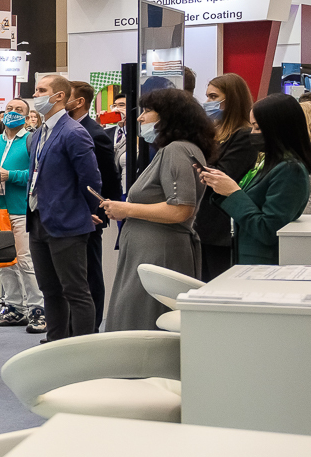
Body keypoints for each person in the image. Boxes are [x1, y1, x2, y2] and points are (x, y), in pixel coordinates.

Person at [99, 88, 213, 331]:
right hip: (152, 249)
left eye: (148, 111)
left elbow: (181, 209)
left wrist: (127, 209)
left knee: (143, 322)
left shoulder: (177, 150)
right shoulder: (174, 150)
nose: (140, 118)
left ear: (169, 116)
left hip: (159, 251)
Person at [27, 74, 104, 340]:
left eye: (41, 90)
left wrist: (87, 211)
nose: (35, 95)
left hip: (67, 222)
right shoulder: (39, 133)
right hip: (38, 219)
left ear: (59, 96)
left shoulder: (73, 132)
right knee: (50, 291)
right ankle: (55, 344)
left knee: (76, 291)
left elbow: (91, 179)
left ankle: (81, 351)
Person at [199, 93, 311, 265]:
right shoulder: (269, 164)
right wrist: (220, 186)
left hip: (265, 264)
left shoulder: (290, 170)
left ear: (278, 129)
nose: (252, 133)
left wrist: (233, 192)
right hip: (249, 260)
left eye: (257, 128)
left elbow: (268, 229)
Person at [197, 74, 260, 281]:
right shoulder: (213, 132)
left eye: (213, 96)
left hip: (222, 226)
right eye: (207, 96)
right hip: (203, 223)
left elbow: (224, 175)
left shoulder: (243, 135)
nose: (208, 102)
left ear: (231, 98)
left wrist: (195, 161)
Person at [0, 99, 44, 333]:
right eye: (9, 109)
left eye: (18, 110)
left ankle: (37, 308)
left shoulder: (31, 140)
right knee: (4, 260)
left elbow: (38, 174)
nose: (12, 113)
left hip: (20, 208)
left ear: (27, 115)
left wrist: (10, 175)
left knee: (25, 260)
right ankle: (13, 306)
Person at [68, 82, 118, 327]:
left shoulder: (94, 133)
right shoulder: (62, 129)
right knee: (70, 276)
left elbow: (105, 179)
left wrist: (95, 212)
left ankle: (91, 327)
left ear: (79, 102)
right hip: (66, 214)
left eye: (65, 96)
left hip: (89, 215)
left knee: (89, 274)